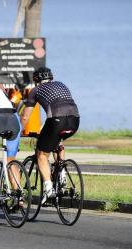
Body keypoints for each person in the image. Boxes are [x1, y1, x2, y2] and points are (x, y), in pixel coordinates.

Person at [20, 67, 80, 204]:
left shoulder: (35, 90)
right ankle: (62, 173)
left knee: (41, 154)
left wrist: (18, 132)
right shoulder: (61, 84)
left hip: (56, 120)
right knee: (57, 140)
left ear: (36, 80)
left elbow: (25, 117)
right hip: (75, 120)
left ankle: (48, 188)